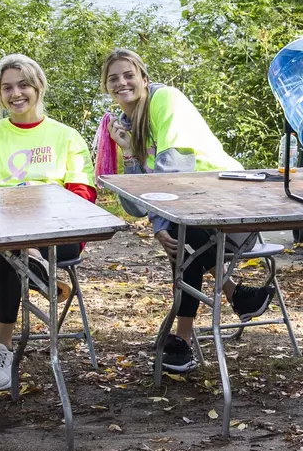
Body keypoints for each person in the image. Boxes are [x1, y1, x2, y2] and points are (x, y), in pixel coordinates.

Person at [98, 48, 274, 374]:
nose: (122, 83)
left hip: (232, 207)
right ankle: (231, 298)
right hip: (194, 219)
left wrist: (161, 222)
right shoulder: (127, 126)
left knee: (182, 236)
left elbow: (173, 175)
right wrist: (129, 155)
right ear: (106, 87)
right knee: (182, 239)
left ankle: (187, 338)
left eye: (129, 75)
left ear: (145, 79)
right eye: (113, 79)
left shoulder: (167, 101)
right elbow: (135, 205)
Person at [0, 54, 96, 392]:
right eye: (7, 87)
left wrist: (49, 216)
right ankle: (5, 343)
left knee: (14, 251)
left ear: (38, 87)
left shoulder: (66, 136)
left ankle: (3, 342)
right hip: (1, 232)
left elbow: (83, 192)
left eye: (23, 84)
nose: (16, 93)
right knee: (11, 247)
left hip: (58, 233)